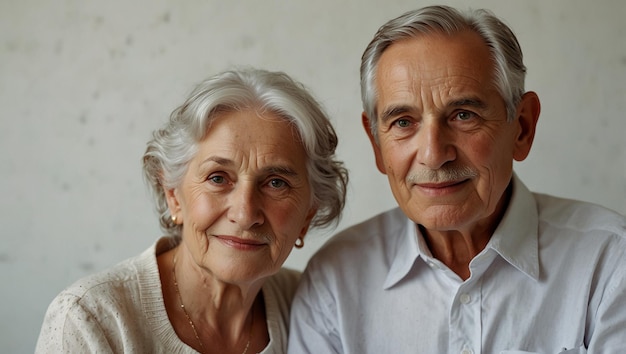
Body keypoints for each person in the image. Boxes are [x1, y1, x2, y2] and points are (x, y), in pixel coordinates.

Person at [288, 5, 626, 354]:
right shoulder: (334, 283)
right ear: (377, 143)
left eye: (464, 115)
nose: (434, 154)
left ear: (522, 128)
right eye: (403, 122)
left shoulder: (611, 262)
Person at [36, 67, 348, 353]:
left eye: (276, 183)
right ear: (173, 195)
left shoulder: (316, 306)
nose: (245, 212)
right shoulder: (92, 318)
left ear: (308, 214)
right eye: (217, 178)